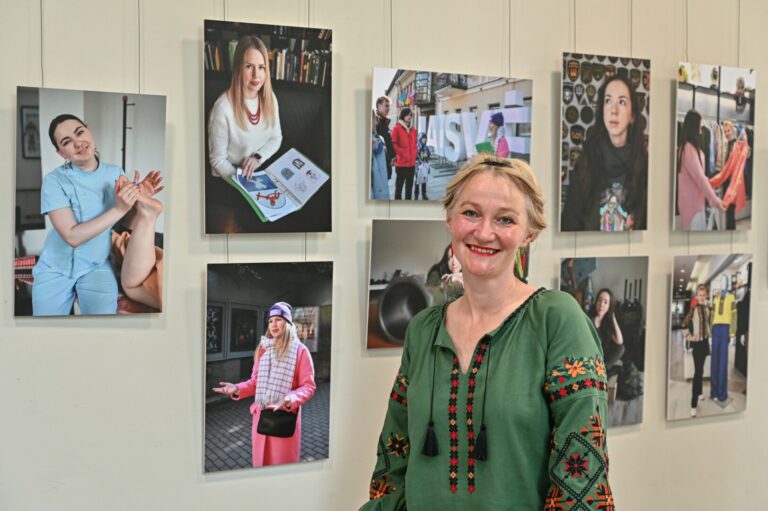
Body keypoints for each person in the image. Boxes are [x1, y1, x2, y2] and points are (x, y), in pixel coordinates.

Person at [363, 154, 612, 509]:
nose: (484, 232)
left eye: (505, 219)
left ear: (530, 232)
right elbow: (393, 463)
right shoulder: (423, 330)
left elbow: (582, 478)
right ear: (449, 219)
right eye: (471, 213)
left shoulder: (557, 320)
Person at [32, 114, 163, 316]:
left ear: (89, 130)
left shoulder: (115, 173)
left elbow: (126, 224)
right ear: (61, 153)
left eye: (80, 132)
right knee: (44, 330)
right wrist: (119, 208)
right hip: (54, 266)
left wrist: (138, 203)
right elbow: (72, 237)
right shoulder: (53, 181)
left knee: (103, 327)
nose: (78, 143)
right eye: (67, 142)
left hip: (96, 265)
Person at [213, 302, 316, 467]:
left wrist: (290, 398)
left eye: (278, 319)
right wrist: (237, 388)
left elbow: (308, 386)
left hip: (283, 419)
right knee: (260, 467)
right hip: (261, 421)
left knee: (282, 470)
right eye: (270, 320)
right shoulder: (263, 350)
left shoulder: (300, 351)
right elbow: (255, 382)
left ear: (288, 323)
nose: (274, 324)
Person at [562, 75, 648, 232]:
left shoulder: (646, 166)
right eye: (608, 101)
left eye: (621, 102)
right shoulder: (585, 163)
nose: (613, 110)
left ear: (632, 115)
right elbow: (570, 225)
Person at [208, 35, 282, 180]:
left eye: (261, 67)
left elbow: (276, 137)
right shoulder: (222, 108)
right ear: (238, 69)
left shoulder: (270, 97)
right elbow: (218, 161)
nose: (256, 75)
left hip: (258, 172)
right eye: (249, 67)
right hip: (230, 177)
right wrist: (243, 182)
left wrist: (257, 158)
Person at [676, 110, 726, 230]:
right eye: (700, 122)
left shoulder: (687, 147)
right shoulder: (688, 149)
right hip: (693, 207)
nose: (702, 125)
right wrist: (715, 201)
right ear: (694, 125)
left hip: (693, 204)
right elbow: (700, 177)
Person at [685, 285, 711, 417]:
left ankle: (700, 393)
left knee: (701, 368)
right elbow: (684, 324)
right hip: (697, 345)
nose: (701, 297)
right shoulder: (693, 309)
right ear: (696, 296)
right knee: (697, 372)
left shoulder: (707, 309)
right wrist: (690, 337)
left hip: (705, 343)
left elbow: (707, 325)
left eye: (703, 294)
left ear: (706, 295)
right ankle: (693, 404)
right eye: (699, 295)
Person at [591, 289, 624, 372]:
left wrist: (613, 318)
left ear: (609, 306)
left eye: (605, 302)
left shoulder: (607, 325)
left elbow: (619, 342)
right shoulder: (589, 320)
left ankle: (602, 370)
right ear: (596, 302)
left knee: (621, 349)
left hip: (600, 362)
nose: (601, 304)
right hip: (589, 357)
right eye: (599, 300)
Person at [391, 107, 417, 200]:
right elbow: (393, 144)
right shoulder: (396, 129)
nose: (410, 116)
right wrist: (403, 154)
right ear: (403, 115)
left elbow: (414, 144)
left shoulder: (413, 130)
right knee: (399, 188)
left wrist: (415, 154)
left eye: (411, 115)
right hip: (401, 164)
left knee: (409, 188)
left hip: (412, 164)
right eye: (408, 114)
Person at [375, 96, 396, 180]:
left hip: (386, 165)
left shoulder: (384, 122)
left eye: (389, 106)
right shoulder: (376, 123)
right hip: (381, 167)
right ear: (379, 106)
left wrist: (393, 157)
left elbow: (388, 142)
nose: (389, 108)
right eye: (386, 105)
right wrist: (389, 159)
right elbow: (378, 147)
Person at [371, 110, 390, 200]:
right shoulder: (370, 140)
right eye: (375, 119)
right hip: (376, 188)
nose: (376, 122)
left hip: (381, 180)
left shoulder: (376, 137)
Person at [414, 133, 431, 200]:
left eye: (425, 138)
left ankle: (424, 194)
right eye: (423, 138)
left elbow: (429, 155)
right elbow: (415, 156)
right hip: (418, 166)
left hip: (424, 166)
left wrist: (427, 157)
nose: (425, 140)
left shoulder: (426, 147)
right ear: (420, 138)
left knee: (424, 180)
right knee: (417, 181)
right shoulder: (417, 146)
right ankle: (416, 195)